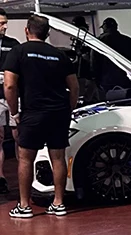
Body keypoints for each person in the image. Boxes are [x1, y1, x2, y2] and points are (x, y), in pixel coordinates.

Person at [4, 14, 79, 218]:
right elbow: (74, 87)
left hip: (33, 112)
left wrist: (15, 112)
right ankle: (59, 203)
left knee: (26, 158)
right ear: (47, 33)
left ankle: (24, 206)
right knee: (58, 157)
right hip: (59, 112)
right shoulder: (60, 55)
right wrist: (68, 109)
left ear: (27, 30)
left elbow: (9, 85)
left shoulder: (18, 52)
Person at [92, 17, 131, 99]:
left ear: (105, 27)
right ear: (116, 26)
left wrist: (96, 80)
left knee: (110, 103)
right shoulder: (127, 40)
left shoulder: (99, 41)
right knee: (128, 100)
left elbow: (94, 62)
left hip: (106, 81)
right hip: (127, 79)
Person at [0, 8, 20, 195]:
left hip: (14, 95)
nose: (5, 26)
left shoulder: (13, 44)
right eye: (1, 23)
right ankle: (1, 178)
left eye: (6, 23)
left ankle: (25, 175)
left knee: (19, 135)